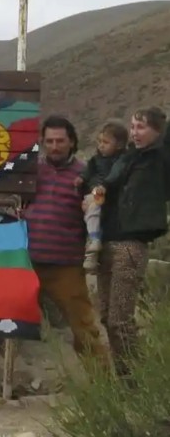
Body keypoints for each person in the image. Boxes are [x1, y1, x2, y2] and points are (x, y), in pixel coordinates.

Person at [0, 115, 110, 387]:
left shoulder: (84, 175)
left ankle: (106, 386)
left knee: (84, 326)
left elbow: (96, 212)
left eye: (60, 141)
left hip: (65, 264)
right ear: (42, 142)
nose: (54, 146)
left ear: (72, 141)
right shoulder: (30, 173)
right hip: (24, 260)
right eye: (49, 141)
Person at [95, 106, 169, 379]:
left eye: (142, 127)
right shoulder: (127, 159)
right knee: (105, 317)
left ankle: (135, 379)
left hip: (132, 245)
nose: (135, 133)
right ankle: (126, 374)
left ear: (157, 131)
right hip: (108, 242)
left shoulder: (160, 157)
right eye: (133, 127)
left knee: (119, 320)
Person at [74, 119, 128, 272]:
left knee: (93, 207)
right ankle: (92, 247)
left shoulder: (121, 160)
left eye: (106, 142)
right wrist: (81, 179)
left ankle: (95, 239)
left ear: (118, 145)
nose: (101, 145)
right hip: (95, 193)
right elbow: (87, 172)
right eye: (100, 141)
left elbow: (116, 175)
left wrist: (104, 186)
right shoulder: (95, 160)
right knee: (91, 211)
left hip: (104, 194)